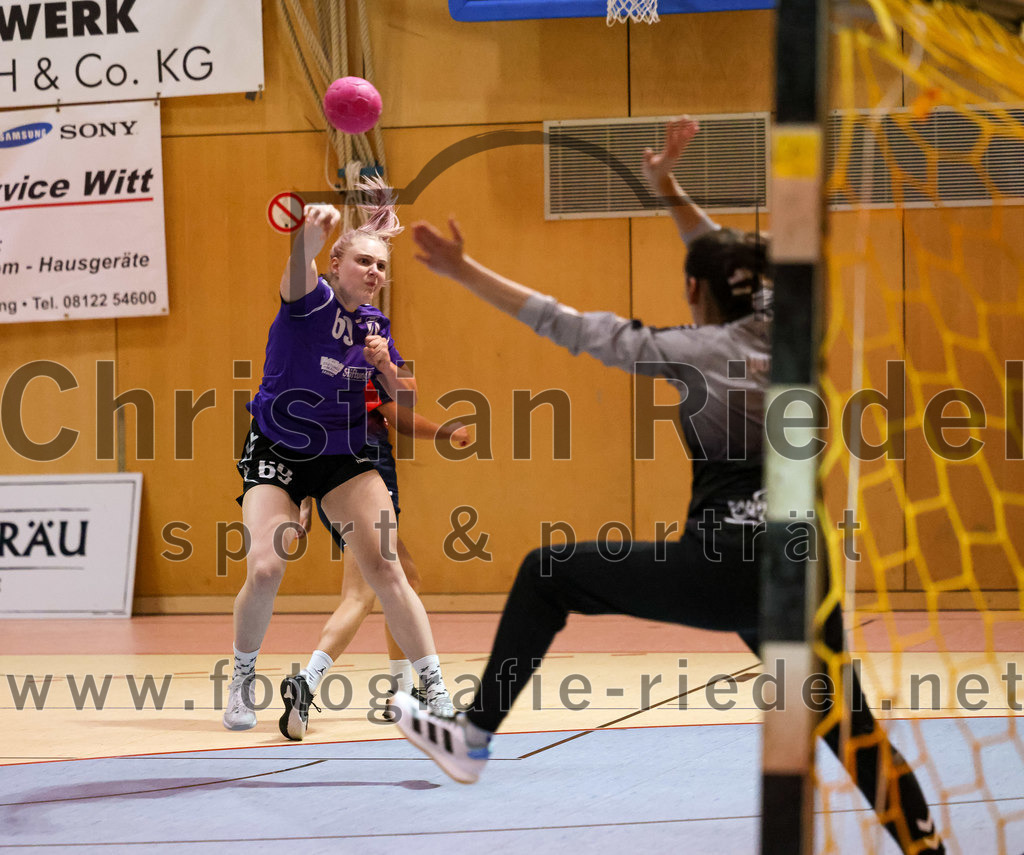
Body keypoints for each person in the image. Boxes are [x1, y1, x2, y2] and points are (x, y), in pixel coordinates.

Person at [390, 118, 945, 855]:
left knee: (546, 573)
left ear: (692, 289)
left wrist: (465, 271)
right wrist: (672, 193)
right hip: (805, 570)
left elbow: (568, 324)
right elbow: (730, 263)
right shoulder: (790, 326)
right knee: (846, 723)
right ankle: (927, 849)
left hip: (725, 565)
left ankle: (474, 735)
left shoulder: (690, 350)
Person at [224, 178, 453, 735]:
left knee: (386, 569)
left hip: (344, 453)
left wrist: (385, 369)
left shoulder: (378, 327)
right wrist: (308, 234)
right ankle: (241, 677)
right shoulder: (309, 302)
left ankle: (437, 691)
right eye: (364, 261)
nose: (374, 272)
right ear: (337, 263)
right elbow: (296, 267)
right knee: (266, 564)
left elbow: (403, 401)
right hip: (278, 446)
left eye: (381, 265)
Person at [278, 384, 470, 740]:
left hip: (341, 485)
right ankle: (307, 681)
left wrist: (305, 502)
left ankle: (402, 691)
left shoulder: (326, 372)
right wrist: (449, 431)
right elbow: (400, 419)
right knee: (360, 595)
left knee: (405, 581)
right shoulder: (362, 367)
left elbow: (308, 442)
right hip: (364, 485)